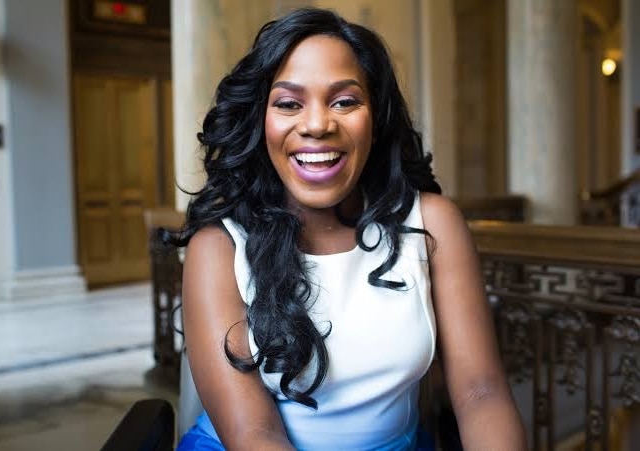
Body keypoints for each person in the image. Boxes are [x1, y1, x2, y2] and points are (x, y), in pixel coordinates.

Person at [171, 7, 526, 450]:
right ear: (260, 122)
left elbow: (481, 393)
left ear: (375, 119)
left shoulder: (433, 223)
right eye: (288, 103)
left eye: (345, 100)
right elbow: (253, 433)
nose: (318, 125)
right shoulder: (218, 246)